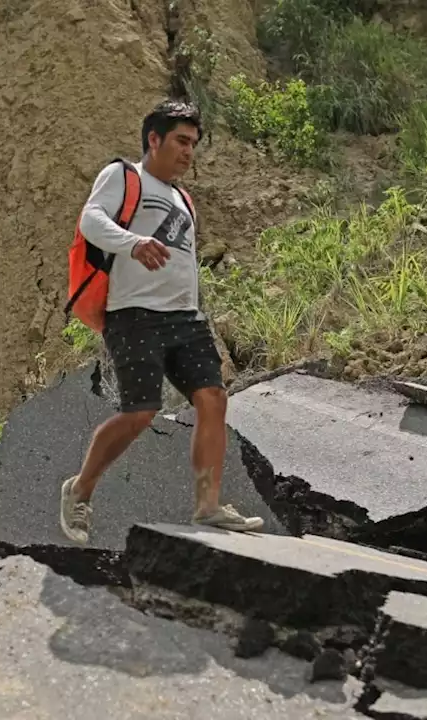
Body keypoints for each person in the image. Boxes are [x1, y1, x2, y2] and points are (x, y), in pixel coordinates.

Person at [58, 100, 266, 545]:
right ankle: (79, 490)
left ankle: (208, 507)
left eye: (194, 144)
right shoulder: (124, 176)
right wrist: (132, 243)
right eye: (181, 141)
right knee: (140, 411)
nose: (189, 152)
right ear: (154, 139)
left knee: (213, 398)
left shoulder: (183, 197)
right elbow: (91, 220)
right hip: (133, 317)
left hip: (185, 318)